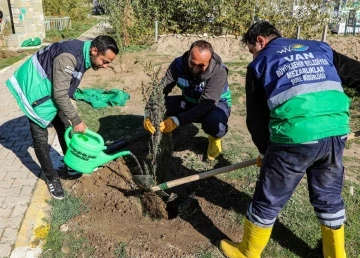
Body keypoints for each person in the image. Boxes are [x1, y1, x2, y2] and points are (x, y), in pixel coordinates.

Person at [219, 21, 360, 258]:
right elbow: (357, 73)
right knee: (328, 197)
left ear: (261, 41)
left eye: (252, 50)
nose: (253, 56)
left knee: (268, 198)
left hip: (295, 138)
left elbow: (257, 119)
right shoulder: (320, 48)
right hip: (336, 132)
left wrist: (265, 153)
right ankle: (336, 255)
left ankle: (247, 252)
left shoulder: (261, 63)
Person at [6, 35, 119, 200]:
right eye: (105, 61)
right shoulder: (69, 57)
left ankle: (71, 165)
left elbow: (64, 86)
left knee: (64, 125)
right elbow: (59, 94)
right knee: (40, 138)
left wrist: (71, 118)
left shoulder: (86, 52)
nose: (106, 66)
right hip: (34, 91)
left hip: (50, 90)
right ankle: (51, 178)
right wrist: (77, 120)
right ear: (95, 50)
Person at [143, 40, 232, 160]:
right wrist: (148, 113)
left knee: (214, 122)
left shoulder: (219, 72)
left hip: (215, 105)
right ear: (189, 55)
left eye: (201, 66)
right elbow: (161, 91)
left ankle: (215, 138)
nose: (195, 69)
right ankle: (161, 141)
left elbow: (206, 104)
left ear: (210, 61)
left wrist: (178, 120)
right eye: (192, 63)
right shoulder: (177, 65)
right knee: (158, 108)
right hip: (189, 101)